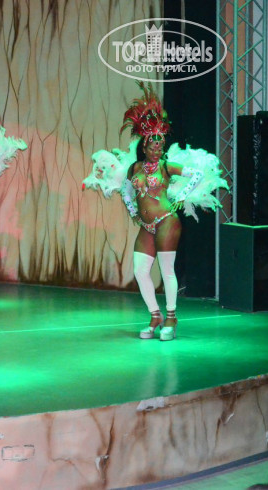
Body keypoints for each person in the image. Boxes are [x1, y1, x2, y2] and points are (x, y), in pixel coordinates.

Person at [84, 83, 227, 341]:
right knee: (140, 271)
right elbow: (126, 191)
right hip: (147, 227)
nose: (157, 150)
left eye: (160, 146)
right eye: (153, 147)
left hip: (166, 222)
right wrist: (133, 211)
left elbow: (196, 174)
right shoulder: (134, 168)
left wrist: (181, 196)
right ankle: (155, 315)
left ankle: (171, 317)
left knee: (167, 270)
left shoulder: (166, 167)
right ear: (144, 146)